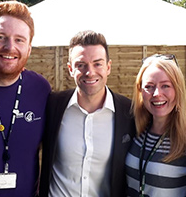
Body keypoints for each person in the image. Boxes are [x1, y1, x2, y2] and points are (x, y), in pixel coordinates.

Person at [39, 30, 136, 197]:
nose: (89, 72)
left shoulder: (129, 112)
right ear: (70, 69)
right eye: (81, 65)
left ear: (108, 67)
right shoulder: (52, 105)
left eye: (97, 64)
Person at [0, 0, 51, 197]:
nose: (10, 47)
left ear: (29, 49)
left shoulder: (40, 89)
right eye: (0, 37)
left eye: (19, 40)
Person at [125, 54, 186, 196]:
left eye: (165, 86)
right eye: (149, 86)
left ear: (178, 89)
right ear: (140, 91)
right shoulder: (136, 129)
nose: (157, 93)